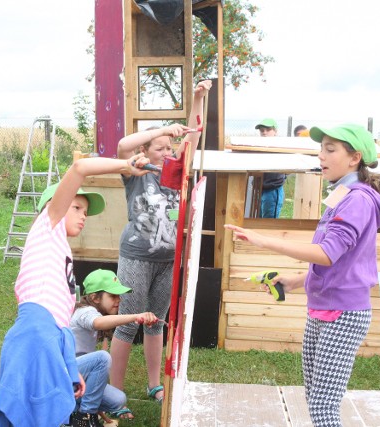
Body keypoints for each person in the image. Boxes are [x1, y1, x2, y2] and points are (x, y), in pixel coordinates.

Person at [225, 124, 380, 427]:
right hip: (325, 308)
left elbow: (328, 253)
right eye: (321, 148)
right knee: (316, 397)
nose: (321, 155)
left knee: (323, 406)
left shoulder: (357, 199)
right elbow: (340, 262)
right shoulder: (344, 193)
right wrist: (297, 280)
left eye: (330, 150)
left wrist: (265, 240)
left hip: (344, 313)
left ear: (355, 158)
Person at [0, 155, 152, 427]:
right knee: (18, 407)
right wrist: (124, 166)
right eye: (76, 207)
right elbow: (79, 168)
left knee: (38, 410)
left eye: (85, 212)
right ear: (53, 208)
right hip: (34, 334)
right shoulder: (46, 228)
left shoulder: (61, 252)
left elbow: (63, 326)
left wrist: (70, 368)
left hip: (52, 338)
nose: (83, 216)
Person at [110, 79, 212, 404]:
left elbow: (193, 136)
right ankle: (115, 392)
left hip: (168, 260)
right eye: (160, 148)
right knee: (128, 323)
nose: (167, 153)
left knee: (156, 322)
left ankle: (154, 385)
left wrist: (197, 98)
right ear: (147, 150)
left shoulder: (177, 171)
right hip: (136, 257)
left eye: (170, 148)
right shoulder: (135, 171)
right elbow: (124, 144)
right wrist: (160, 129)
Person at [69, 269, 158, 423]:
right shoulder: (85, 312)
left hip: (79, 373)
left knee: (118, 399)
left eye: (119, 295)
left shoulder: (96, 312)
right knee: (103, 358)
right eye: (112, 296)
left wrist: (96, 402)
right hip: (64, 371)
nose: (118, 300)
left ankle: (77, 412)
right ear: (94, 297)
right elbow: (98, 323)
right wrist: (136, 316)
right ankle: (85, 417)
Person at [255, 118, 286, 218]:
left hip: (272, 190)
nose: (264, 133)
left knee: (269, 222)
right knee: (257, 220)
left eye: (268, 130)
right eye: (262, 130)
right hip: (259, 189)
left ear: (275, 131)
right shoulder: (257, 147)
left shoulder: (281, 147)